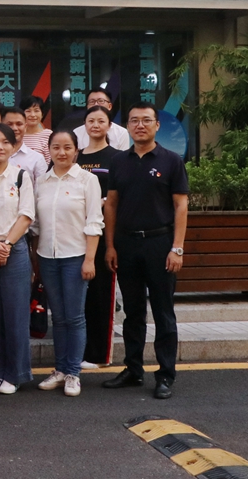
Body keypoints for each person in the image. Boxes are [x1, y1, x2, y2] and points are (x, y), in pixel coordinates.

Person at [102, 102, 188, 400]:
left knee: (163, 312)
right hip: (126, 245)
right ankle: (133, 369)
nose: (140, 125)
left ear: (157, 125)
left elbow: (181, 205)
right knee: (133, 311)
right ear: (127, 125)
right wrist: (110, 246)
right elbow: (111, 205)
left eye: (146, 120)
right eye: (134, 120)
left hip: (160, 244)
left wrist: (177, 248)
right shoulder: (119, 161)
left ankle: (165, 375)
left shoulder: (171, 160)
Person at [34, 130, 103, 397]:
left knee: (74, 317)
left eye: (67, 147)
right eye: (56, 147)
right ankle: (60, 369)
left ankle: (73, 372)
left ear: (76, 150)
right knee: (59, 317)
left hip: (76, 257)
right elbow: (36, 224)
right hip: (47, 257)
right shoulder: (42, 181)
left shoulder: (87, 180)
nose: (61, 152)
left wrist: (89, 259)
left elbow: (94, 222)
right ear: (49, 150)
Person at [0, 123, 35, 395]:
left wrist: (7, 245)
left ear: (13, 147)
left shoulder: (21, 176)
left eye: (5, 142)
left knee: (16, 314)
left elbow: (26, 215)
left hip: (16, 249)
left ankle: (15, 373)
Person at [75, 105, 121, 367]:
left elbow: (121, 196)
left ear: (109, 125)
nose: (95, 125)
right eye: (90, 120)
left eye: (101, 121)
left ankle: (99, 354)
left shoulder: (118, 158)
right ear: (84, 125)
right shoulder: (74, 155)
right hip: (74, 234)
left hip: (104, 234)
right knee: (79, 297)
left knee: (100, 295)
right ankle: (78, 351)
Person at [0, 107, 47, 185]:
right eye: (9, 124)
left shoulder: (37, 159)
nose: (14, 128)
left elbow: (42, 189)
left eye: (19, 124)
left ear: (25, 127)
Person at [73, 87, 131, 151]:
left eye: (101, 101)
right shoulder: (77, 133)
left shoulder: (121, 133)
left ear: (109, 106)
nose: (96, 104)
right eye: (92, 101)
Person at [19, 96, 52, 163]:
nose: (33, 115)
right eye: (28, 111)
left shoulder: (48, 135)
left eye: (36, 111)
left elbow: (51, 161)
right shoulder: (17, 135)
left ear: (42, 114)